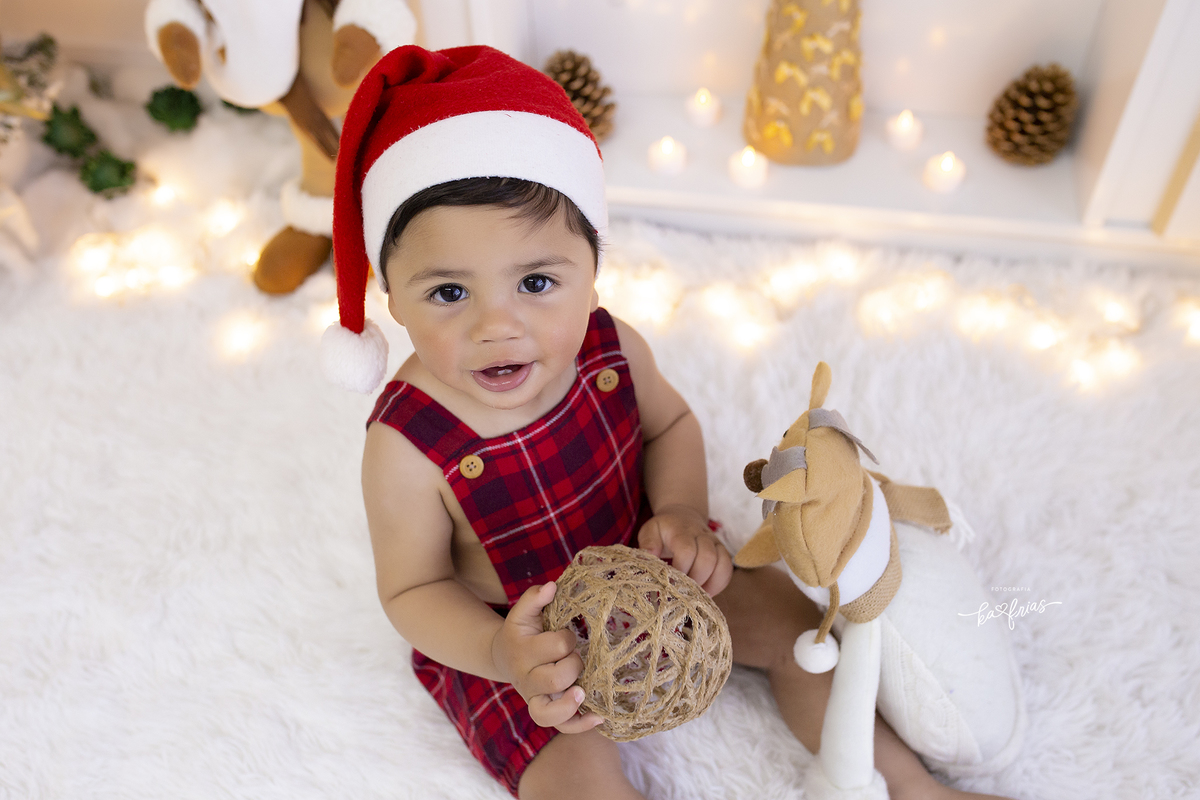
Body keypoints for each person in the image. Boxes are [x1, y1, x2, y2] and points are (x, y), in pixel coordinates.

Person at [322, 44, 1012, 800]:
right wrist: (499, 649)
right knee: (575, 784)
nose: (499, 325)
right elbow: (413, 590)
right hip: (525, 631)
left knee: (802, 634)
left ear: (593, 271)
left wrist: (680, 511)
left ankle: (909, 785)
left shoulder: (611, 349)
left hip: (652, 569)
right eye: (449, 293)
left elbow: (669, 425)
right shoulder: (406, 444)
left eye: (538, 282)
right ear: (391, 296)